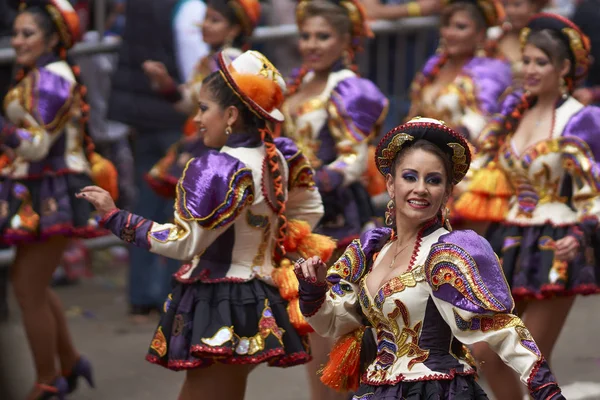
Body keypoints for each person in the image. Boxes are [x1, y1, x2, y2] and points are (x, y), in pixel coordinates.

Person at [78, 50, 326, 400]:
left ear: (230, 114)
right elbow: (310, 209)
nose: (196, 119)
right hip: (261, 294)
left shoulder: (219, 168)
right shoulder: (280, 155)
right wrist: (270, 244)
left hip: (226, 301)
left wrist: (116, 217)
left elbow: (184, 243)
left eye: (204, 108)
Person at [295, 117, 565, 399]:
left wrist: (545, 389)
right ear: (390, 184)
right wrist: (314, 290)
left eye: (433, 180)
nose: (420, 188)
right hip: (377, 390)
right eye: (410, 177)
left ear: (447, 191)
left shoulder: (450, 252)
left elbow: (501, 329)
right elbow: (337, 323)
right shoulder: (371, 251)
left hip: (435, 390)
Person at [456, 13, 600, 399]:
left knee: (529, 358)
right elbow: (485, 175)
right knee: (483, 351)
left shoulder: (583, 119)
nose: (530, 70)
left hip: (558, 243)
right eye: (527, 60)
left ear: (565, 67)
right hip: (509, 241)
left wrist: (582, 233)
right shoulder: (511, 115)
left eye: (541, 62)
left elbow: (596, 191)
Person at [0, 0, 117, 397]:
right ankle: (67, 364)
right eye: (15, 33)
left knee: (26, 288)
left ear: (52, 37)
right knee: (32, 284)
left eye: (27, 33)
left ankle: (49, 382)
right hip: (38, 187)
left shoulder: (51, 79)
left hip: (53, 190)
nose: (17, 41)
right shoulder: (42, 73)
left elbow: (34, 145)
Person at [282, 1, 388, 398]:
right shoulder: (298, 83)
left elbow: (354, 159)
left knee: (337, 332)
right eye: (306, 35)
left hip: (338, 215)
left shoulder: (348, 87)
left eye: (323, 36)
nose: (311, 44)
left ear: (346, 40)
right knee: (309, 327)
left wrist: (308, 181)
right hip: (302, 218)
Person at [107, 0, 208, 322]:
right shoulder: (189, 8)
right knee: (178, 212)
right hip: (175, 121)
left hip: (143, 114)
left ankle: (142, 297)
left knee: (145, 203)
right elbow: (194, 72)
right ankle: (170, 296)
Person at [143, 0, 261, 198]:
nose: (205, 25)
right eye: (205, 18)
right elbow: (192, 103)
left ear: (234, 29)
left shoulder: (231, 61)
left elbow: (222, 108)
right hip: (206, 140)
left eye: (215, 20)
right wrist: (166, 85)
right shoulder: (209, 60)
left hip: (221, 146)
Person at [407, 0, 511, 144]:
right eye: (447, 25)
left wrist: (442, 144)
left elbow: (480, 120)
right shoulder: (434, 65)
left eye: (460, 27)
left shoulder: (491, 71)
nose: (450, 33)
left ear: (480, 34)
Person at [487, 0, 547, 84]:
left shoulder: (547, 41)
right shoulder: (495, 39)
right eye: (505, 5)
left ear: (533, 7)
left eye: (517, 5)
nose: (510, 10)